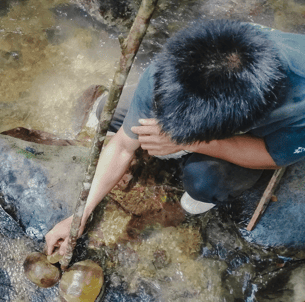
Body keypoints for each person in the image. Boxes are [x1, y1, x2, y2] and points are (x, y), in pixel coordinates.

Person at [46, 19, 305, 256]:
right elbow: (123, 145)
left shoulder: (299, 104)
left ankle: (205, 179)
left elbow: (272, 156)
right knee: (110, 111)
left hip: (256, 130)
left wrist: (189, 141)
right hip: (216, 99)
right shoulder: (176, 64)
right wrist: (79, 216)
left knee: (205, 182)